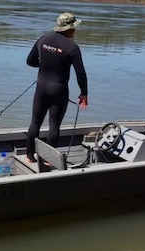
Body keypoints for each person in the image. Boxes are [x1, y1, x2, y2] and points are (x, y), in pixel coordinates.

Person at [25, 12, 88, 163]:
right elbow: (81, 73)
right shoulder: (72, 47)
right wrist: (84, 93)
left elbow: (30, 61)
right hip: (58, 90)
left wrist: (46, 64)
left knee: (35, 122)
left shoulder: (43, 39)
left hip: (41, 87)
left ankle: (29, 156)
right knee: (54, 124)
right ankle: (47, 160)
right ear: (70, 29)